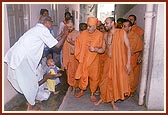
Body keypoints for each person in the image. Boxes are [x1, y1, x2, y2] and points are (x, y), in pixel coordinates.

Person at [4, 15, 69, 111]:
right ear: (46, 22)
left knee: (28, 82)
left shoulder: (38, 29)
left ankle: (31, 100)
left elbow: (52, 41)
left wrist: (62, 35)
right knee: (30, 82)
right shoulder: (43, 30)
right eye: (51, 21)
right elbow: (57, 45)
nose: (52, 23)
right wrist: (66, 35)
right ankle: (30, 106)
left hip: (19, 56)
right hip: (22, 58)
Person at [91, 17, 131, 110]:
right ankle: (103, 97)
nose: (105, 25)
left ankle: (112, 102)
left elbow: (128, 47)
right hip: (108, 62)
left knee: (114, 81)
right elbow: (103, 50)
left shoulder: (121, 32)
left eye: (107, 23)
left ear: (113, 23)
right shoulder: (105, 35)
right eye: (105, 23)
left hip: (119, 62)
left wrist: (128, 63)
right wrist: (95, 49)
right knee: (104, 81)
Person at [74, 17, 103, 102]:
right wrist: (79, 53)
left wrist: (95, 48)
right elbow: (77, 43)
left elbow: (101, 47)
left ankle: (92, 94)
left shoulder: (99, 35)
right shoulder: (83, 33)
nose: (88, 28)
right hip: (84, 58)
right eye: (87, 26)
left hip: (94, 60)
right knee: (83, 75)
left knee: (94, 77)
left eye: (90, 26)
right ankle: (82, 90)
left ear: (95, 26)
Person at [122, 20, 144, 96]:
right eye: (122, 26)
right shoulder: (121, 35)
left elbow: (140, 48)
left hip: (132, 59)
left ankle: (130, 91)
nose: (122, 28)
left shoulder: (135, 36)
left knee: (131, 76)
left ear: (130, 28)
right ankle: (124, 90)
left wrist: (140, 56)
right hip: (123, 59)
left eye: (125, 26)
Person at [62, 19, 80, 95]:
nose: (69, 28)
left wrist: (70, 42)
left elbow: (79, 45)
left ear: (74, 25)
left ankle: (75, 87)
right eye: (68, 27)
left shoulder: (77, 33)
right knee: (69, 73)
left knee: (74, 72)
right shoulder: (65, 33)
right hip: (67, 56)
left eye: (71, 26)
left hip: (74, 56)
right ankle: (72, 85)